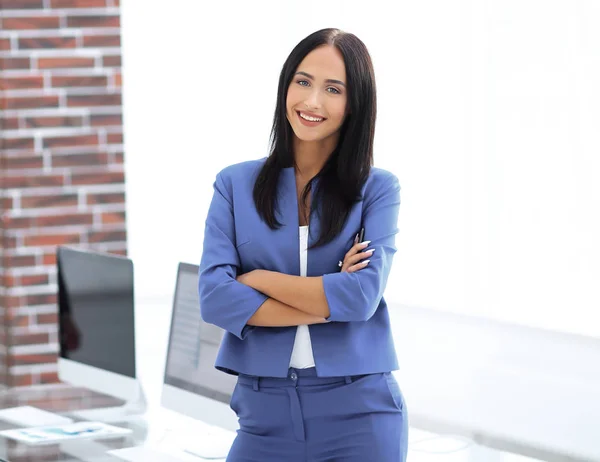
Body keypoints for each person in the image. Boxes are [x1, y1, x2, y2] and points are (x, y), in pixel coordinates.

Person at [198, 27, 407, 462]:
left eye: (333, 89)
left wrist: (256, 279)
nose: (312, 102)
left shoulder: (377, 189)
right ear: (286, 86)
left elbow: (362, 298)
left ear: (355, 105)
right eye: (303, 81)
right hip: (263, 415)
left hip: (360, 414)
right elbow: (216, 300)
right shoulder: (234, 185)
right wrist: (330, 295)